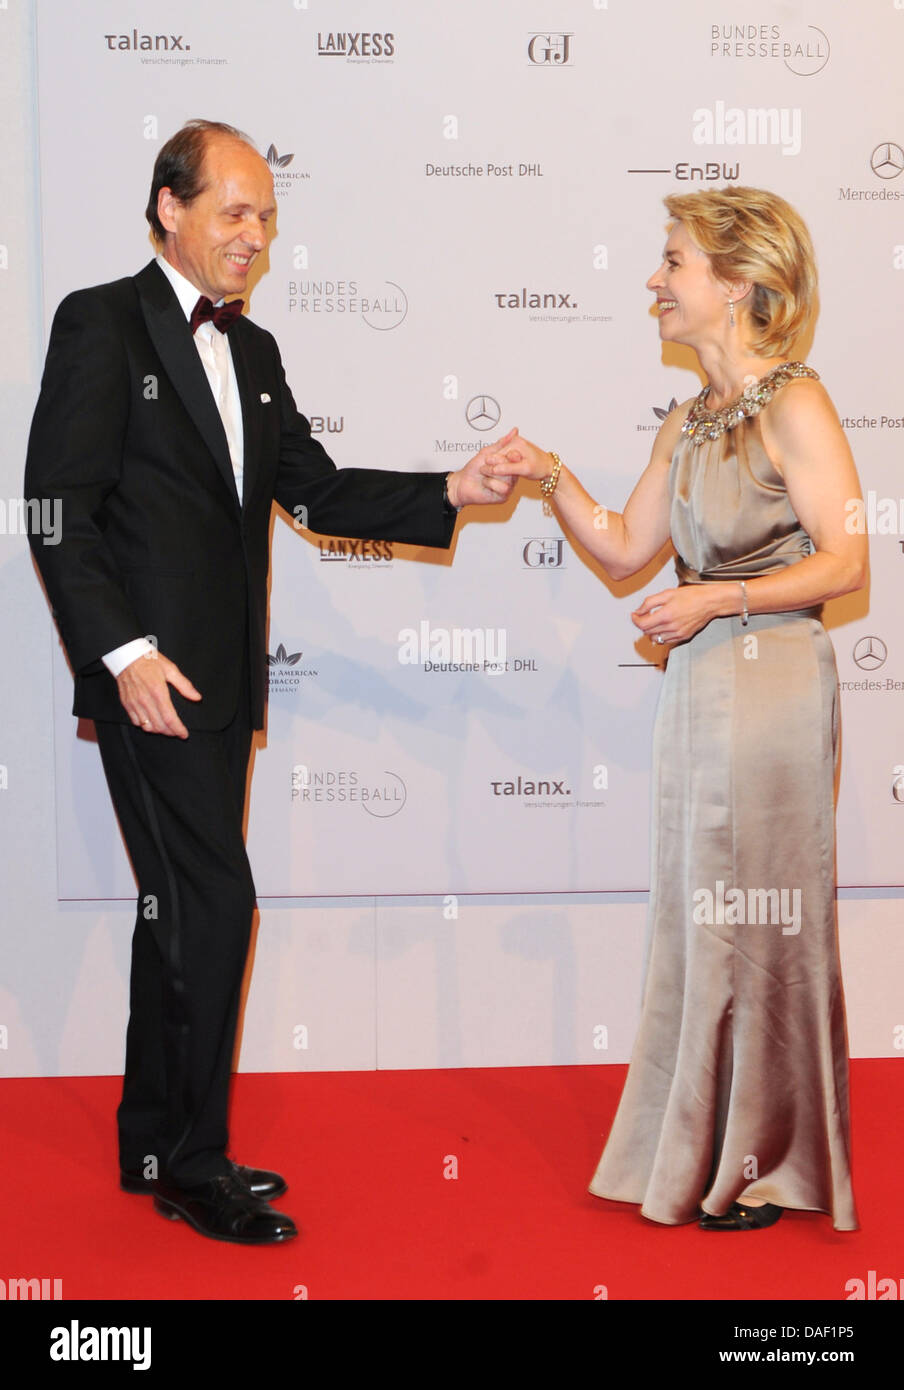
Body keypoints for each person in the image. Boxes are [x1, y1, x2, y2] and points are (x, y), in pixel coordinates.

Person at [24, 119, 514, 1246]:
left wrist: (457, 483)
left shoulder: (252, 353)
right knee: (214, 908)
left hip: (226, 690)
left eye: (266, 216)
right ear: (169, 208)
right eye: (234, 210)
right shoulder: (101, 322)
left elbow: (319, 493)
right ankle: (192, 1164)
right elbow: (57, 509)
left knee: (180, 918)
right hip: (148, 683)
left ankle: (154, 1141)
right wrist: (121, 653)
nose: (255, 234)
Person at [489, 187, 866, 1231]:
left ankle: (765, 1162)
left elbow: (847, 557)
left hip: (776, 685)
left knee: (763, 923)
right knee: (707, 919)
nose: (654, 280)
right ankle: (709, 1142)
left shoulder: (798, 401)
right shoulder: (688, 418)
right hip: (699, 689)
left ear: (738, 284)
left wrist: (720, 595)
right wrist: (549, 473)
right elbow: (621, 549)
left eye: (673, 262)